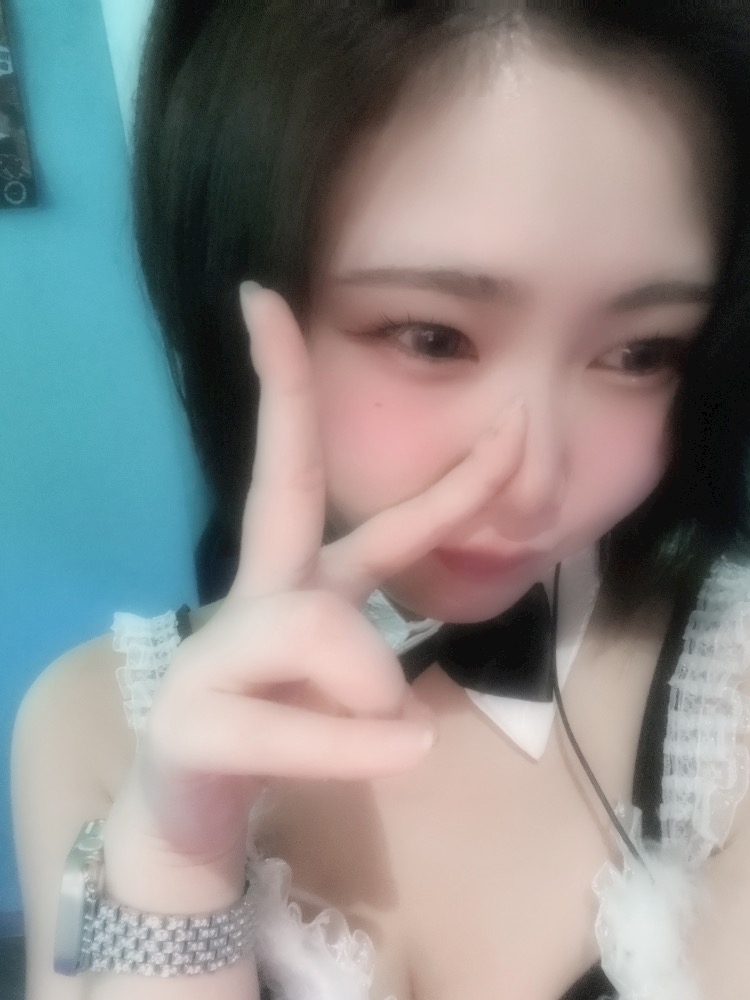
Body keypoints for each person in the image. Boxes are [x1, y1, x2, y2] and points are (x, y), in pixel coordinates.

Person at [11, 2, 750, 998]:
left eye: (641, 352)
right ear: (233, 301)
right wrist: (176, 864)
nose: (535, 482)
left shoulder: (729, 696)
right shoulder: (90, 722)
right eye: (431, 336)